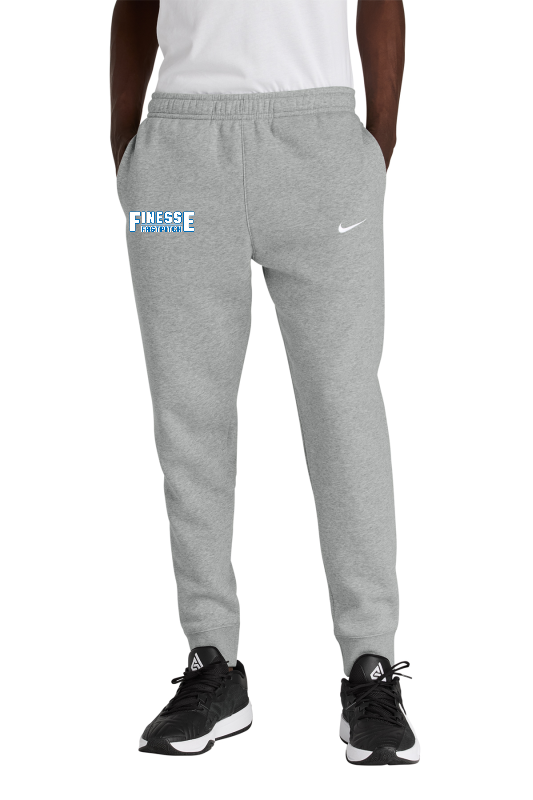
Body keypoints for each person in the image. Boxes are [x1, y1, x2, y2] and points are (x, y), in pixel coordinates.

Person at [111, 0, 419, 765]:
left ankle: (370, 664)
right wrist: (127, 148)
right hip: (177, 161)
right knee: (187, 413)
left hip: (322, 152)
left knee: (343, 408)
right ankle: (211, 663)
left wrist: (377, 144)